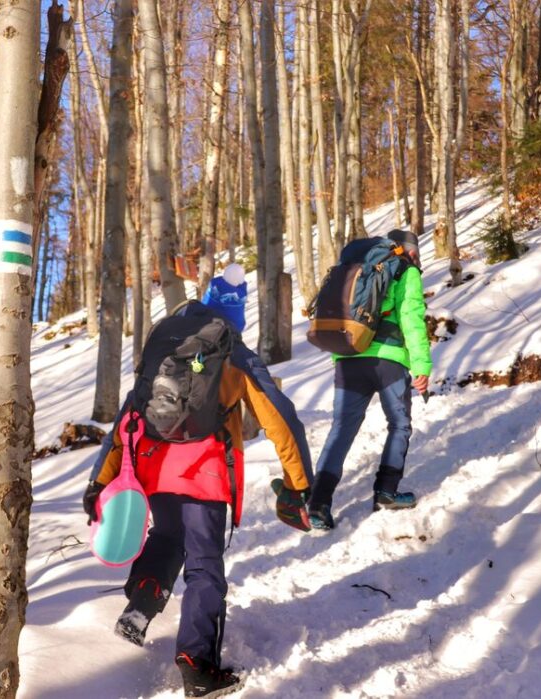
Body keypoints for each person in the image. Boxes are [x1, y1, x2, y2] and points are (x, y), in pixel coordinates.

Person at [83, 276, 312, 698]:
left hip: (156, 469)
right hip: (205, 476)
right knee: (205, 565)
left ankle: (141, 605)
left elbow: (128, 418)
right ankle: (197, 663)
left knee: (168, 536)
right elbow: (279, 417)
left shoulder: (166, 345)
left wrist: (101, 479)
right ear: (236, 315)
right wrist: (299, 482)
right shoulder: (232, 352)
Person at [307, 228, 432, 531]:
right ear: (408, 250)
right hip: (387, 359)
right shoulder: (404, 269)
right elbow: (411, 319)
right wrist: (421, 365)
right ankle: (386, 492)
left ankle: (318, 506)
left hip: (348, 357)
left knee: (341, 430)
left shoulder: (356, 266)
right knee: (399, 424)